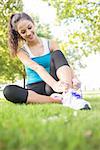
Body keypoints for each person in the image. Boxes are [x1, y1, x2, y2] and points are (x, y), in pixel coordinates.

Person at [3, 13, 91, 110]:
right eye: (23, 32)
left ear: (33, 24)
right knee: (8, 91)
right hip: (36, 91)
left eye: (29, 27)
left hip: (51, 85)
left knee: (57, 54)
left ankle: (69, 94)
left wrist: (74, 78)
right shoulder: (21, 52)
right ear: (19, 34)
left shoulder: (50, 43)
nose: (28, 33)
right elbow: (37, 67)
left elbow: (63, 62)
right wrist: (55, 85)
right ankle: (58, 99)